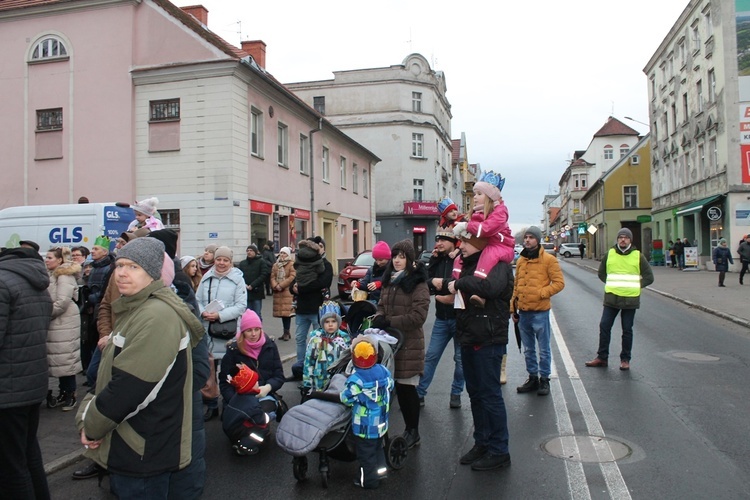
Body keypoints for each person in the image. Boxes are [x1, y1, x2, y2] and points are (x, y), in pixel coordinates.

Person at [75, 238, 205, 499]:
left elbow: (131, 388)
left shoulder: (155, 316)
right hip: (138, 443)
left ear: (153, 273)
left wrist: (91, 425)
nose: (121, 272)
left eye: (133, 266)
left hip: (143, 448)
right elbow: (108, 376)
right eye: (120, 264)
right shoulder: (136, 309)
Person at [448, 233, 514, 471]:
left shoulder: (497, 264)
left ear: (480, 243)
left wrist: (460, 284)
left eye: (465, 242)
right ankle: (482, 442)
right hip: (469, 335)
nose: (461, 246)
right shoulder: (468, 264)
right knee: (475, 394)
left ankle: (499, 450)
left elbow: (490, 288)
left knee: (490, 394)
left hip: (488, 338)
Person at [0, 246, 53, 499]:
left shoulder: (2, 282)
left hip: (7, 388)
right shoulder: (36, 283)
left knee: (11, 466)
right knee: (29, 455)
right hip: (30, 382)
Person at [371, 239, 429, 449]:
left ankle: (413, 431)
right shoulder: (389, 280)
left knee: (406, 390)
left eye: (402, 257)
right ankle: (382, 430)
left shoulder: (418, 282)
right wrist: (379, 316)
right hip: (388, 344)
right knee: (388, 388)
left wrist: (390, 322)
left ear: (410, 259)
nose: (397, 260)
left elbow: (418, 316)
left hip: (408, 343)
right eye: (395, 256)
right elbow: (381, 305)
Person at [585, 228, 654, 371]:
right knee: (604, 326)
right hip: (612, 298)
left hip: (630, 300)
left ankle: (625, 359)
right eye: (620, 237)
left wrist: (635, 286)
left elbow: (649, 277)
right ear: (617, 239)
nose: (623, 240)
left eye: (626, 238)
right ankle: (602, 358)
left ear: (630, 240)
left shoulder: (638, 256)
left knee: (627, 330)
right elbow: (601, 273)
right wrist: (611, 283)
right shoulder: (609, 254)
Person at [219, 310, 285, 456]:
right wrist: (234, 401)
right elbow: (224, 382)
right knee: (243, 418)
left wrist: (267, 387)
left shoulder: (270, 346)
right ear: (243, 332)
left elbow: (279, 376)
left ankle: (250, 440)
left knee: (263, 414)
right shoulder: (233, 350)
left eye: (257, 329)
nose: (254, 334)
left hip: (263, 394)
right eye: (249, 330)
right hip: (240, 397)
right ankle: (248, 435)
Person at [511, 226, 565, 396]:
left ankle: (544, 380)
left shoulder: (549, 260)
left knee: (543, 348)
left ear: (538, 240)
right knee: (528, 349)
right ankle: (532, 377)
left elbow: (559, 283)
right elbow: (516, 285)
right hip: (523, 312)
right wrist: (513, 307)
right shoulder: (521, 260)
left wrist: (542, 293)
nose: (527, 240)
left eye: (531, 237)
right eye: (525, 237)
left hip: (540, 311)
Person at [196, 246, 247, 421]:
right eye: (219, 259)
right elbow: (197, 300)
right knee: (209, 371)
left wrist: (219, 315)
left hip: (228, 332)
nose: (221, 263)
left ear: (230, 262)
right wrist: (203, 312)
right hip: (208, 331)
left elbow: (241, 306)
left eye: (225, 260)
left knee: (229, 371)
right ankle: (211, 404)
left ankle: (229, 404)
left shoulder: (237, 280)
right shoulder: (206, 278)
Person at [417, 230, 465, 408]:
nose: (440, 243)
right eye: (438, 240)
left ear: (454, 242)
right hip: (442, 317)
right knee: (431, 356)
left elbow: (460, 281)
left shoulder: (460, 258)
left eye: (444, 239)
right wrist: (434, 279)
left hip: (459, 317)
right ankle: (420, 393)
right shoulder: (437, 259)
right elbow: (426, 281)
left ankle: (456, 393)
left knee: (460, 360)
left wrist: (441, 284)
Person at [452, 170, 515, 307]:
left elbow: (486, 229)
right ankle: (455, 291)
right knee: (458, 259)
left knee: (488, 255)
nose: (474, 197)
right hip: (488, 244)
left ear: (490, 197)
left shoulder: (500, 212)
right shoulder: (478, 212)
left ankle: (480, 294)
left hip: (502, 247)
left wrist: (466, 225)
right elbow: (472, 235)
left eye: (479, 194)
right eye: (475, 193)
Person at [341, 335, 394, 490]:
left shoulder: (356, 380)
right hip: (381, 422)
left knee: (365, 455)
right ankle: (381, 472)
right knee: (378, 448)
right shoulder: (384, 371)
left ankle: (368, 481)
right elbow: (390, 385)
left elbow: (346, 398)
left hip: (364, 426)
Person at [44, 246, 82, 411]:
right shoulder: (52, 275)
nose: (46, 260)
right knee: (59, 359)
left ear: (60, 260)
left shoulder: (64, 275)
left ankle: (70, 394)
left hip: (64, 321)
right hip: (57, 322)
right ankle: (63, 392)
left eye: (50, 257)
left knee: (66, 359)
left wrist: (45, 314)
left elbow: (62, 302)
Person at [290, 237, 333, 377]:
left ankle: (318, 368)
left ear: (323, 248)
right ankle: (300, 367)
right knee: (300, 339)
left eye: (320, 245)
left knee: (319, 340)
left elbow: (322, 283)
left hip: (317, 309)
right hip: (302, 309)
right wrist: (293, 288)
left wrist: (301, 289)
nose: (318, 248)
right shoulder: (303, 263)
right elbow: (295, 281)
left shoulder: (326, 265)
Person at [83, 236, 116, 388]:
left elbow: (104, 294)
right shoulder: (94, 267)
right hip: (96, 314)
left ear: (104, 252)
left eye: (96, 249)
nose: (92, 251)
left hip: (101, 315)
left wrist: (90, 298)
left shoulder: (109, 269)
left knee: (96, 369)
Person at [302, 301, 351, 391]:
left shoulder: (344, 339)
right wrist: (307, 383)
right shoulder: (316, 340)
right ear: (322, 323)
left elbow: (348, 360)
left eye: (333, 321)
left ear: (338, 322)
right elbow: (309, 362)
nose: (330, 324)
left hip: (338, 379)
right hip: (320, 379)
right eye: (327, 322)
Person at [238, 244, 270, 321]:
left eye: (251, 251)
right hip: (245, 292)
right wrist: (244, 284)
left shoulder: (261, 262)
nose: (249, 252)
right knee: (247, 314)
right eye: (248, 251)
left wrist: (253, 285)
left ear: (255, 252)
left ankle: (259, 330)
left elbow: (264, 275)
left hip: (257, 292)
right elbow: (239, 275)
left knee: (257, 313)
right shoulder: (242, 263)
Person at [271, 247, 296, 342]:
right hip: (278, 292)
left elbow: (292, 277)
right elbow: (272, 276)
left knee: (287, 313)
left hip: (287, 291)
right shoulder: (276, 265)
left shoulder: (291, 264)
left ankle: (286, 332)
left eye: (284, 253)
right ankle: (285, 332)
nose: (282, 255)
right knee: (282, 314)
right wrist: (275, 285)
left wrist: (281, 285)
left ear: (288, 255)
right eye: (281, 253)